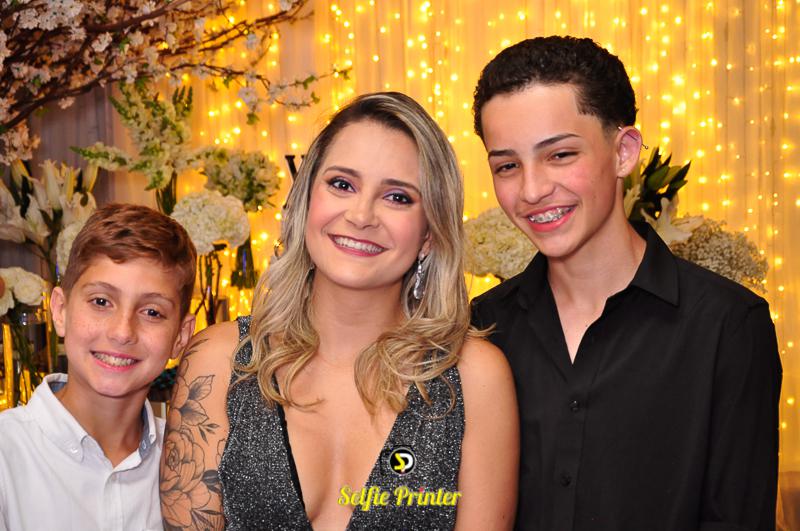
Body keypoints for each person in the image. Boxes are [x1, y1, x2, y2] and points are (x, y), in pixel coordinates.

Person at [160, 92, 519, 530]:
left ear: (429, 233)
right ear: (306, 199)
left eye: (398, 197)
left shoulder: (475, 376)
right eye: (342, 185)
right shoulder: (217, 359)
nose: (361, 215)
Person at [470, 36, 782, 531]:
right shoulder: (479, 329)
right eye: (507, 166)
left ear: (624, 152)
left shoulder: (728, 326)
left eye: (560, 155)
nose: (531, 190)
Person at [0, 203, 197, 530]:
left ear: (180, 336)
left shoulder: (192, 466)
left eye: (152, 312)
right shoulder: (7, 454)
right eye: (101, 302)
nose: (122, 332)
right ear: (60, 310)